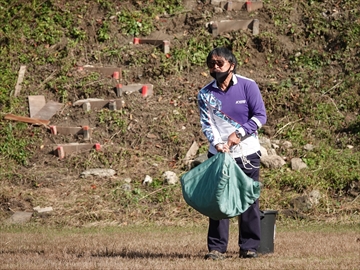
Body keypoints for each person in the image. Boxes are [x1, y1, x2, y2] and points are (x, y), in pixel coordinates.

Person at [197, 47, 267, 260]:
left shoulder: (248, 86)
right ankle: (217, 248)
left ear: (231, 65)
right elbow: (207, 124)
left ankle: (249, 247)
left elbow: (260, 116)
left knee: (248, 199)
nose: (215, 67)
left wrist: (239, 134)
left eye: (219, 63)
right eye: (211, 64)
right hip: (219, 154)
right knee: (218, 201)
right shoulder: (205, 94)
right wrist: (218, 144)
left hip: (246, 152)